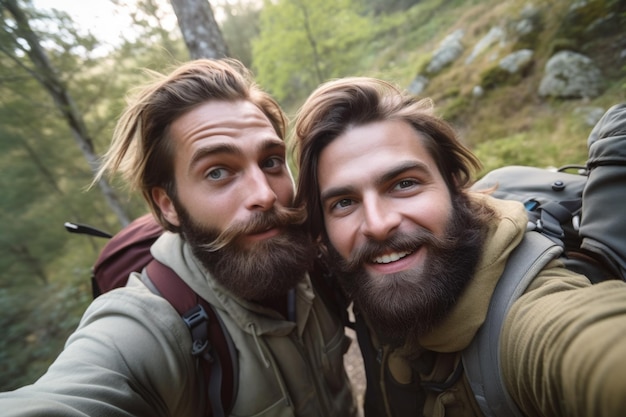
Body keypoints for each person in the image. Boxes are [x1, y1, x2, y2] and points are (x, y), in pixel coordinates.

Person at [0, 59, 357, 417]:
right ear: (168, 205)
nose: (263, 194)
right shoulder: (151, 324)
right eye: (218, 172)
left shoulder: (318, 261)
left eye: (271, 162)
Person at [292, 76, 626, 417]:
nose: (377, 225)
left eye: (404, 184)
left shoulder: (528, 316)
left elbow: (585, 347)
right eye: (344, 202)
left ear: (455, 187)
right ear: (325, 231)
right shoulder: (361, 276)